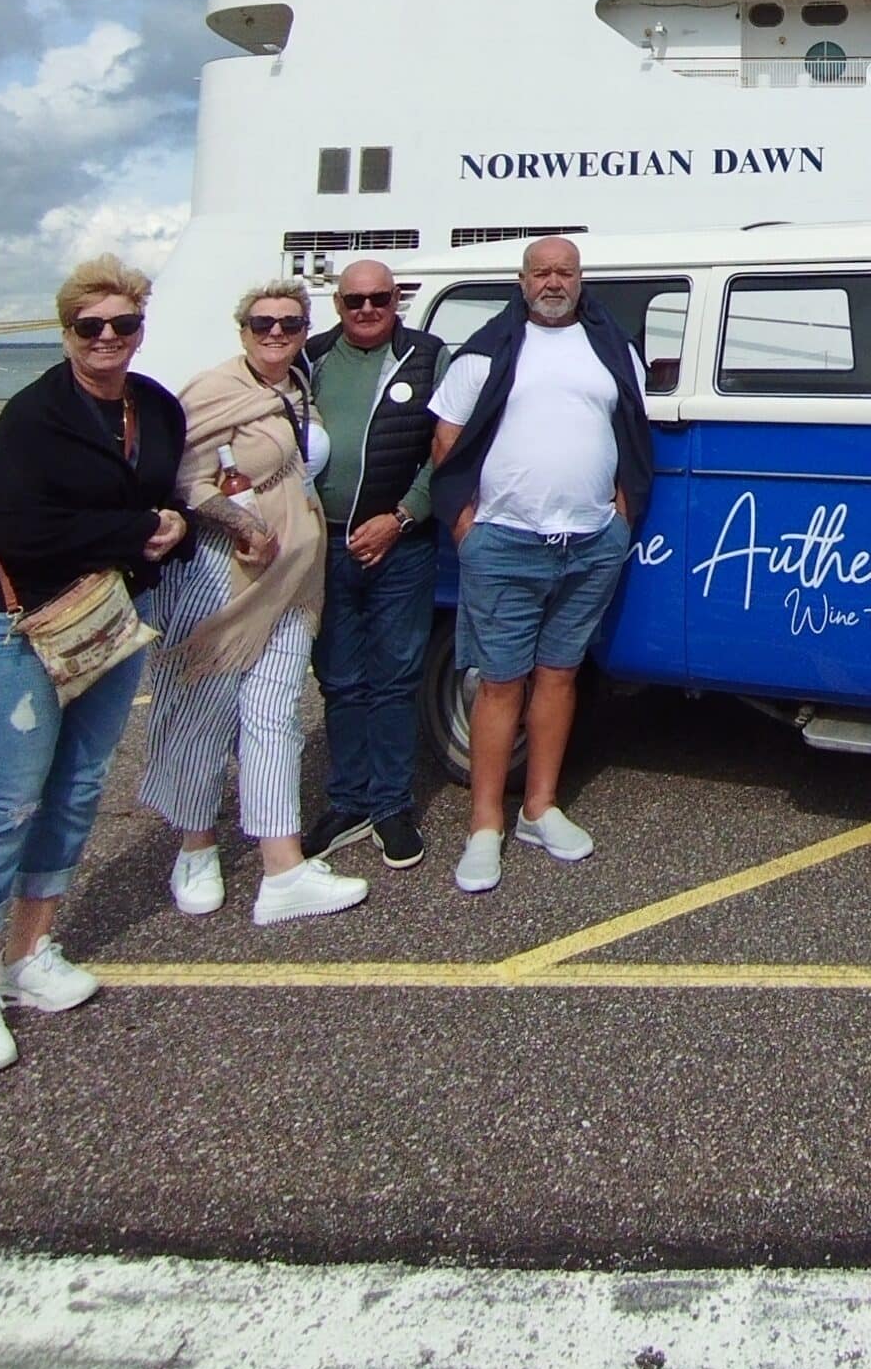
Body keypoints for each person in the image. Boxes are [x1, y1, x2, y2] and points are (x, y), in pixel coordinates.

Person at [0, 257, 192, 1080]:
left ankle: (31, 950)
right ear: (67, 331)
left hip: (107, 621)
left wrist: (174, 526)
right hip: (13, 627)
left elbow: (164, 497)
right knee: (4, 804)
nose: (109, 339)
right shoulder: (34, 416)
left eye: (123, 324)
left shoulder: (154, 408)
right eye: (92, 327)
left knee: (80, 784)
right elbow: (17, 529)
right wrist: (134, 533)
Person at [139, 280, 368, 926]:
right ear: (242, 328)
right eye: (263, 323)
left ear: (303, 330)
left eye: (290, 324)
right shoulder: (214, 389)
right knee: (200, 713)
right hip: (222, 575)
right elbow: (182, 476)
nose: (276, 333)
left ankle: (282, 869)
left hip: (294, 579)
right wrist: (241, 526)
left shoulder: (298, 387)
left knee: (274, 718)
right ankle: (195, 847)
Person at [429, 236, 651, 894]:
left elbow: (631, 426)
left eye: (565, 271)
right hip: (505, 540)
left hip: (589, 541)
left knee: (560, 676)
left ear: (580, 280)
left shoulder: (611, 348)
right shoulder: (489, 350)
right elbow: (446, 438)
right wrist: (468, 526)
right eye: (541, 272)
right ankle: (483, 826)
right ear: (521, 281)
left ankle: (539, 808)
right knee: (500, 683)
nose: (553, 281)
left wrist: (620, 513)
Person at [303, 260, 448, 871]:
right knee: (338, 679)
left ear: (398, 300)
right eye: (355, 300)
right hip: (324, 546)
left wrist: (402, 517)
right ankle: (348, 800)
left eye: (379, 298)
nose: (367, 310)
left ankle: (391, 805)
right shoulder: (309, 360)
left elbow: (450, 448)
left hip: (402, 544)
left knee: (394, 677)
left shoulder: (428, 354)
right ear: (338, 305)